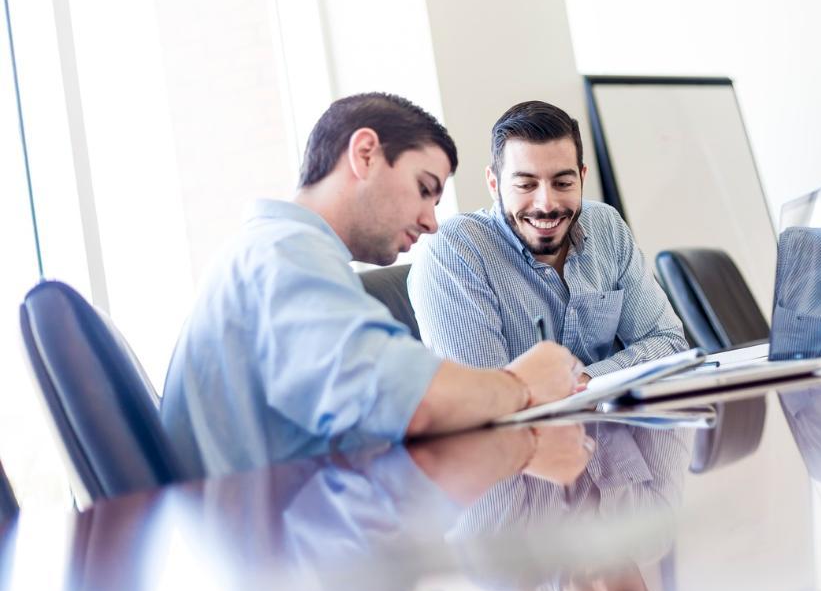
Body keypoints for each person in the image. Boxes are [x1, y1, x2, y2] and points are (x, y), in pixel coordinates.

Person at [160, 93, 582, 478]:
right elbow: (408, 400)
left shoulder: (280, 254)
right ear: (365, 154)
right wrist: (520, 385)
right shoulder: (283, 256)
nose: (431, 223)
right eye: (424, 189)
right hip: (270, 529)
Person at [408, 100, 687, 381]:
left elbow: (669, 343)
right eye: (526, 185)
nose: (546, 204)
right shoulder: (453, 249)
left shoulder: (606, 225)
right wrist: (598, 383)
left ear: (582, 178)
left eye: (563, 183)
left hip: (611, 410)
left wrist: (584, 381)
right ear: (494, 184)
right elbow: (485, 393)